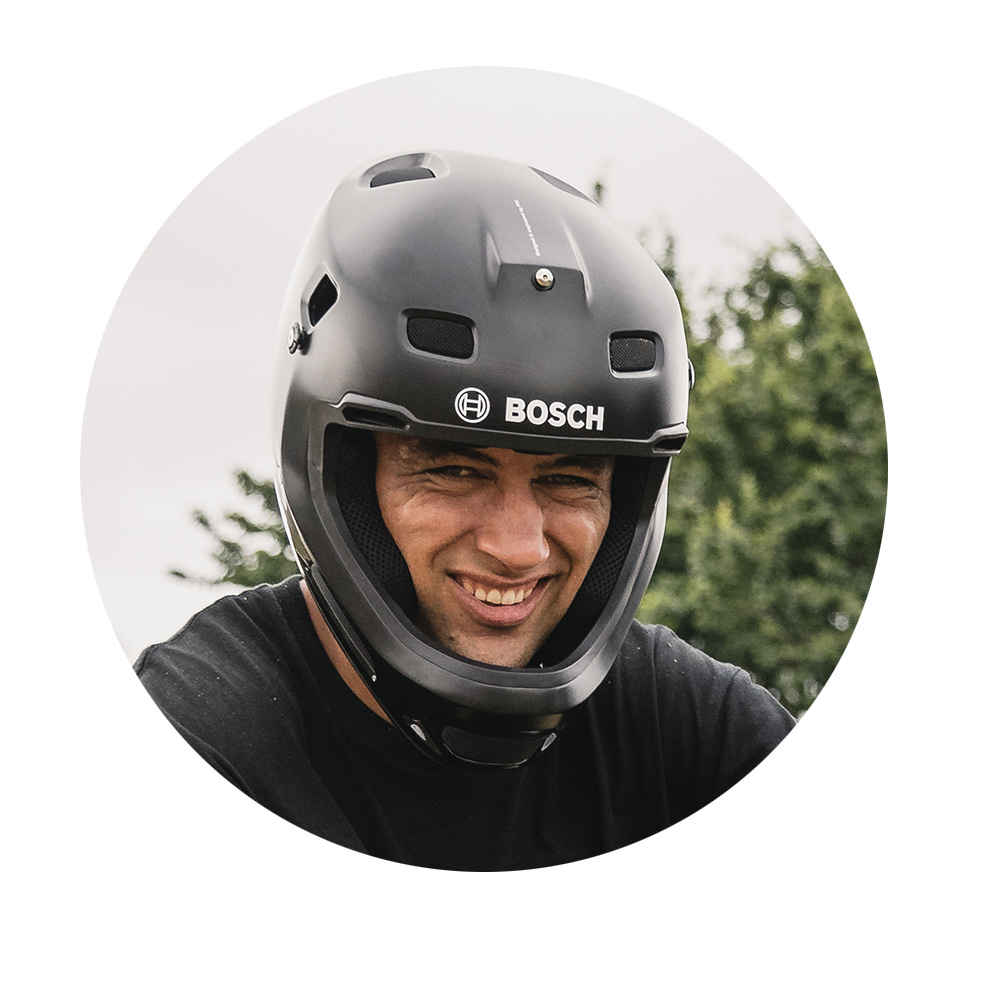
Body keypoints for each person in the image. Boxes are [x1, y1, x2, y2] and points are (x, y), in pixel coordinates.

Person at [136, 150, 795, 870]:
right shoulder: (199, 736)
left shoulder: (690, 728)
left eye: (570, 478)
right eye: (454, 470)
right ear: (346, 480)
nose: (518, 547)